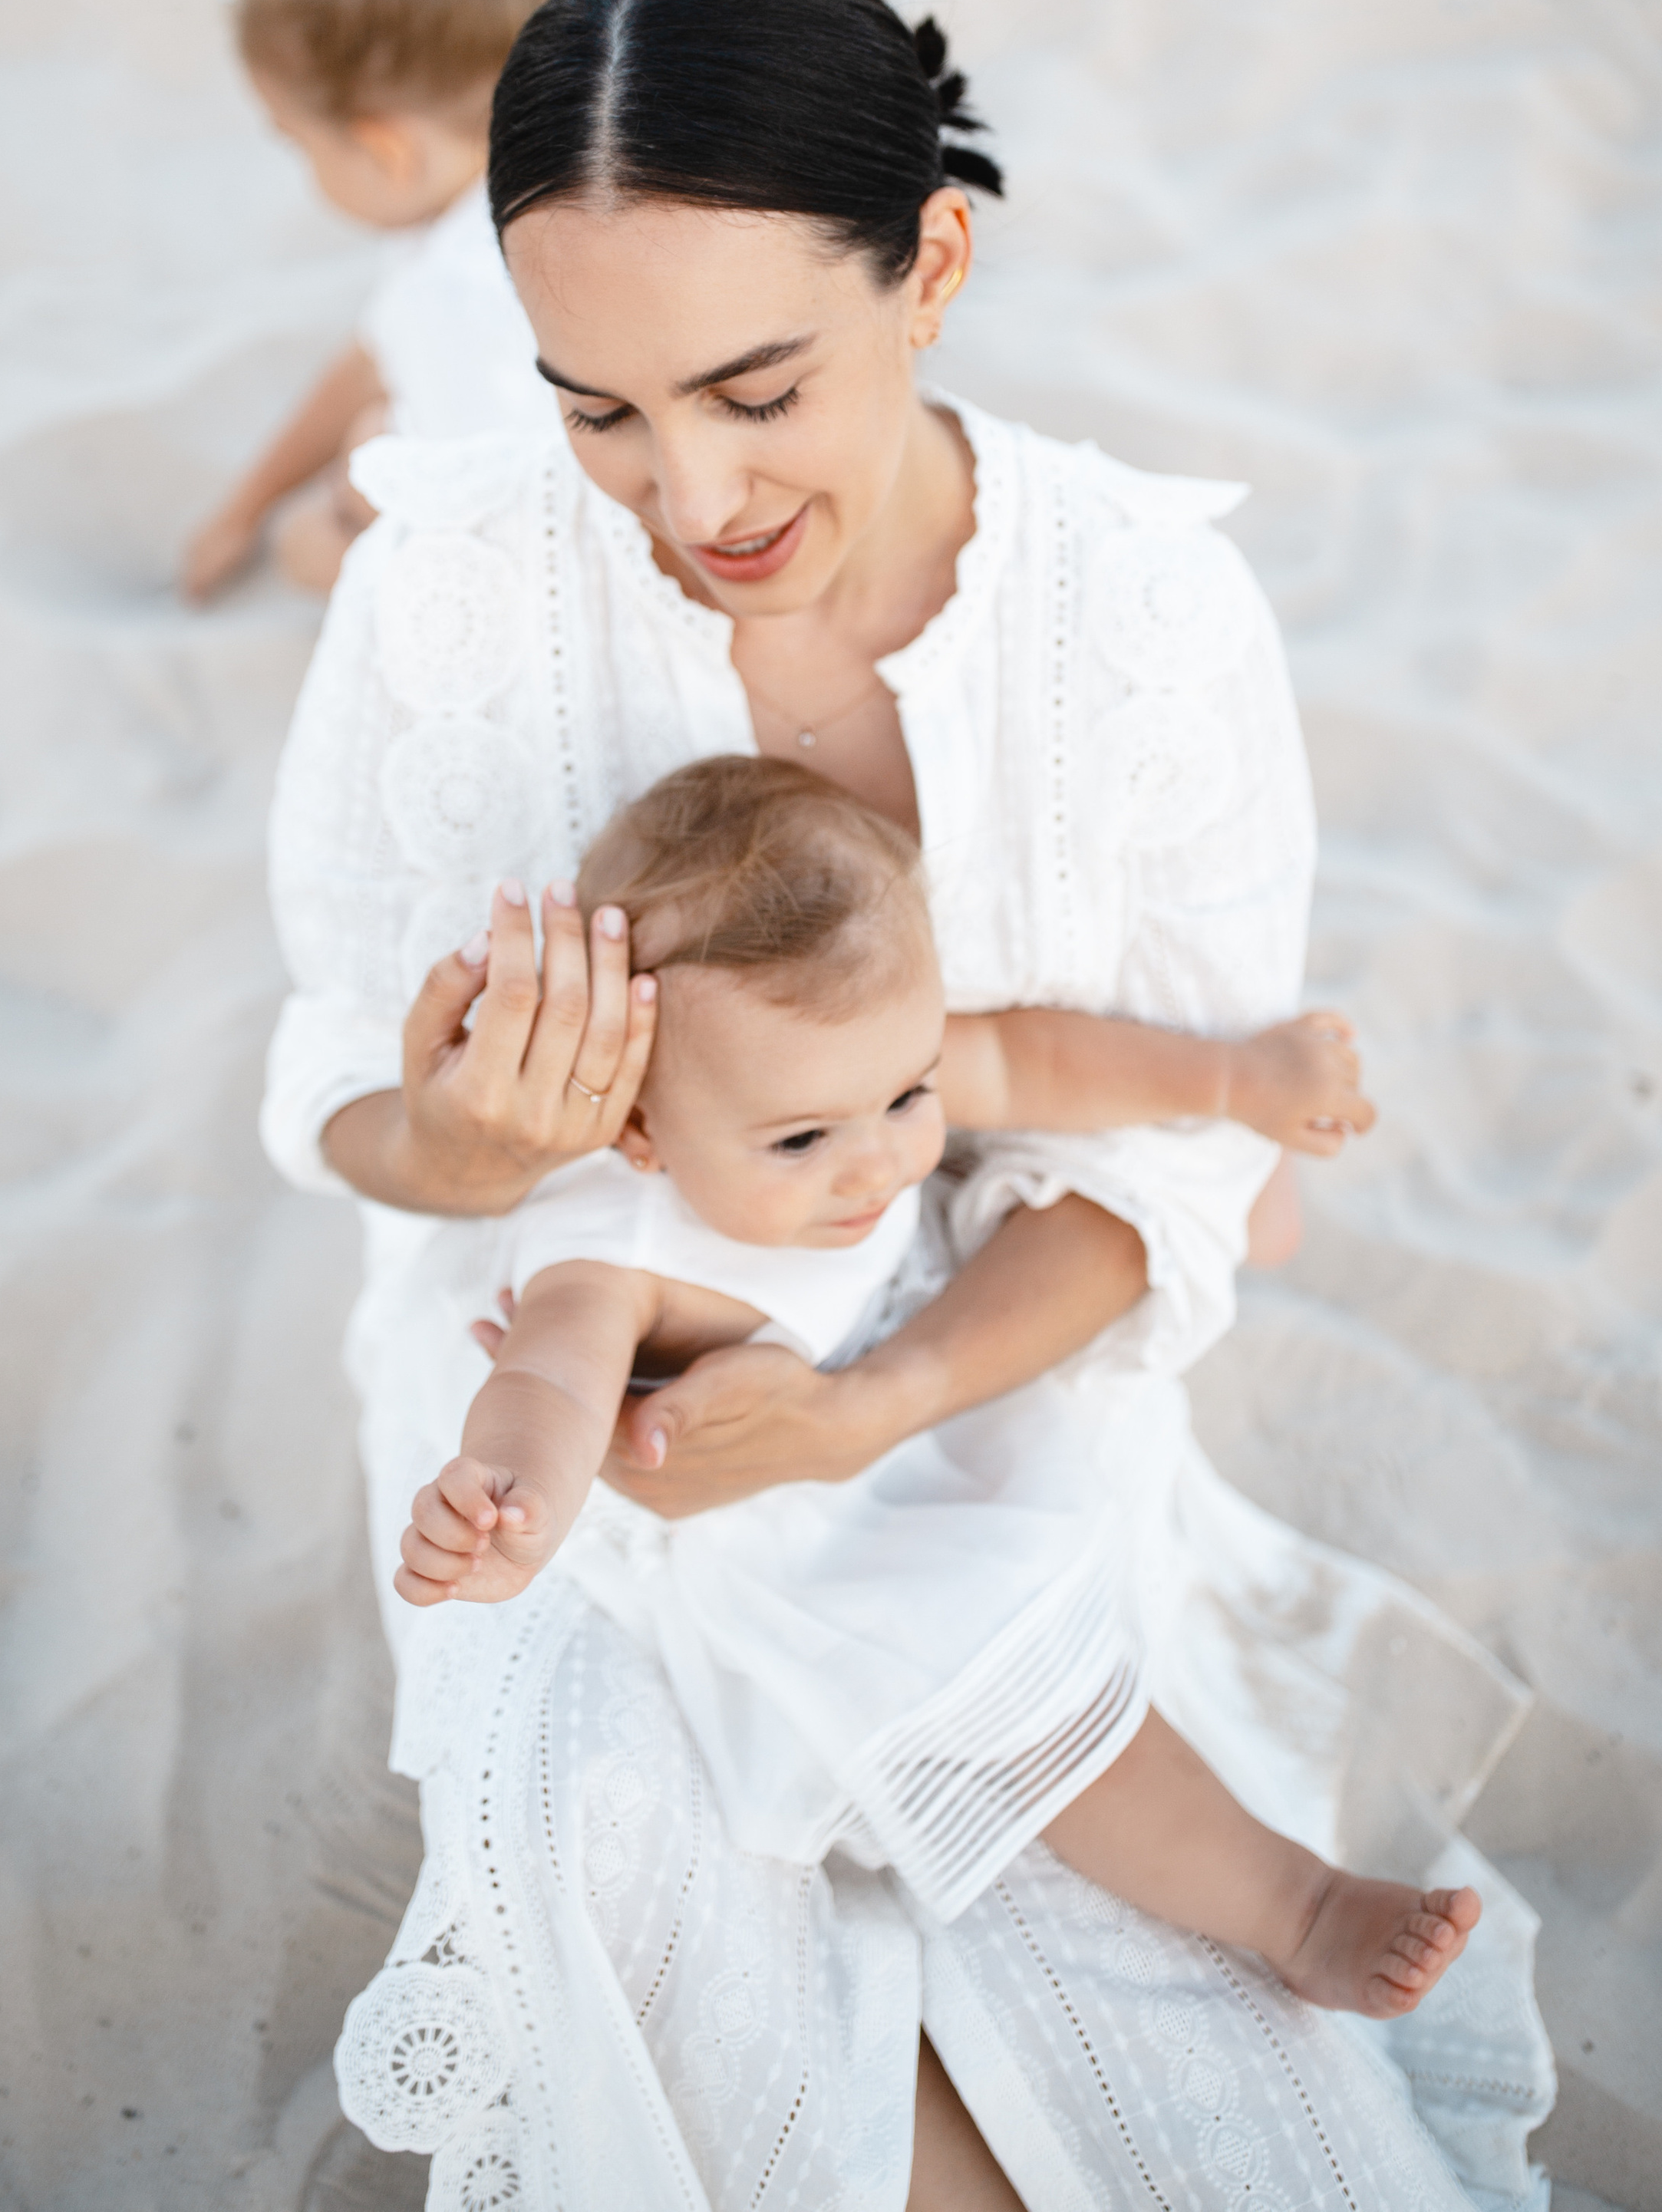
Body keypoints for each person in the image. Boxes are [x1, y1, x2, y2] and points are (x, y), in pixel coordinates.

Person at [262, 0, 1554, 2209]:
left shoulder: (1141, 617)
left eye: (758, 389)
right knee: (622, 1860)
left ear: (932, 260)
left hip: (980, 1335)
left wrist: (870, 1402)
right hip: (561, 1342)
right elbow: (341, 1101)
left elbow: (1140, 1159)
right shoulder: (448, 589)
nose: (687, 492)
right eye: (599, 408)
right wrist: (463, 1129)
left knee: (1108, 1873)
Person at [397, 753, 1474, 2025]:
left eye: (906, 1098)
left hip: (907, 1399)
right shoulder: (616, 1244)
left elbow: (1025, 1065)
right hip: (793, 1530)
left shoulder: (838, 1060)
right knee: (1039, 1702)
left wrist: (1235, 1081)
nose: (878, 1164)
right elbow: (553, 1379)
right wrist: (513, 1496)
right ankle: (1297, 1909)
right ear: (637, 1127)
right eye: (802, 1141)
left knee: (1120, 1540)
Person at [180, 0, 558, 603]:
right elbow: (369, 357)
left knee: (311, 538)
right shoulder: (512, 174)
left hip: (545, 575)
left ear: (386, 152)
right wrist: (240, 508)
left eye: (297, 143)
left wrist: (339, 512)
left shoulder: (460, 295)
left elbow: (513, 551)